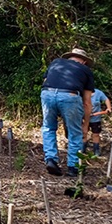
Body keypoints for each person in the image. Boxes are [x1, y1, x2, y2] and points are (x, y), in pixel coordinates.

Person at [41, 48, 95, 177]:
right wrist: (86, 125)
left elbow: (45, 82)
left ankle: (51, 160)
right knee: (75, 132)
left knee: (48, 127)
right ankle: (73, 167)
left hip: (47, 93)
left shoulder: (56, 63)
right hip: (70, 96)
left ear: (69, 57)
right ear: (84, 62)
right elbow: (87, 102)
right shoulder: (86, 70)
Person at [87, 88, 112, 156]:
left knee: (96, 134)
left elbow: (106, 99)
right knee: (83, 133)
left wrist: (108, 108)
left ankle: (96, 150)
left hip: (96, 118)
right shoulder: (82, 93)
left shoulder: (98, 93)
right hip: (84, 118)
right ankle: (82, 148)